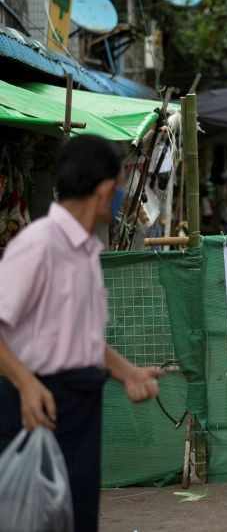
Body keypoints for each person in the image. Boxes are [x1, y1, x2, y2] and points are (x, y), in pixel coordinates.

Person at [0, 135, 165, 532]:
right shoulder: (39, 245)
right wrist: (26, 385)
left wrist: (128, 372)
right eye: (122, 185)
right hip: (36, 405)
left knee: (75, 518)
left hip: (80, 405)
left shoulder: (85, 249)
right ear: (107, 188)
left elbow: (79, 336)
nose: (123, 194)